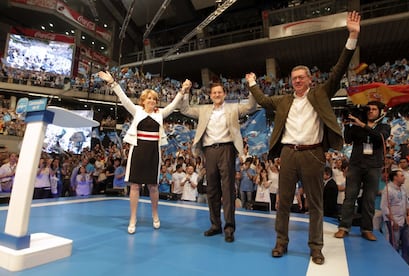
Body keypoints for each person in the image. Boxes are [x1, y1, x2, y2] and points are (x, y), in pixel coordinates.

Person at [245, 10, 361, 265]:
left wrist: (352, 37)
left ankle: (316, 247)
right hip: (288, 153)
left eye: (301, 78)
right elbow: (263, 100)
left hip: (313, 153)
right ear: (291, 81)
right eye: (294, 78)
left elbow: (339, 70)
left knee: (315, 204)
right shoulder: (284, 100)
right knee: (283, 203)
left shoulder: (320, 93)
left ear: (309, 79)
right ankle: (280, 242)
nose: (297, 81)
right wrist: (252, 83)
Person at [98, 70, 190, 234]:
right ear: (143, 101)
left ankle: (155, 215)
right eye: (149, 98)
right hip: (138, 150)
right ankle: (133, 218)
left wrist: (182, 90)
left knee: (153, 187)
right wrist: (112, 82)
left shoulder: (160, 114)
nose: (152, 101)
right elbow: (123, 98)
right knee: (135, 186)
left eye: (154, 99)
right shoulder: (137, 111)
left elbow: (174, 104)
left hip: (154, 152)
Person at [180, 81, 256, 243]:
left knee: (228, 190)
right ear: (210, 95)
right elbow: (185, 109)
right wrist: (186, 91)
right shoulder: (204, 110)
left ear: (224, 94)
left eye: (219, 92)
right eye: (214, 93)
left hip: (227, 149)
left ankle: (229, 228)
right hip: (209, 151)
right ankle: (215, 225)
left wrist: (252, 87)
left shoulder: (233, 108)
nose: (217, 95)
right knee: (212, 190)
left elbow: (250, 107)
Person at [334, 100, 391, 241]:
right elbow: (348, 139)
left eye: (374, 109)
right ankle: (344, 227)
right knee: (350, 196)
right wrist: (347, 125)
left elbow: (380, 138)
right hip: (356, 164)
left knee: (369, 199)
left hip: (373, 166)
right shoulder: (358, 124)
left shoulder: (384, 126)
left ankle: (367, 229)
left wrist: (362, 125)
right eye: (369, 109)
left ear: (380, 112)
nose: (370, 111)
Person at [380, 170, 409, 269]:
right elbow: (384, 207)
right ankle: (393, 267)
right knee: (393, 245)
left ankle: (408, 266)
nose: (404, 177)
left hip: (404, 221)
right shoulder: (388, 190)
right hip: (393, 222)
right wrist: (393, 221)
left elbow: (407, 202)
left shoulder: (402, 189)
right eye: (402, 176)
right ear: (395, 177)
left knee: (408, 244)